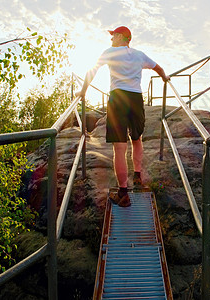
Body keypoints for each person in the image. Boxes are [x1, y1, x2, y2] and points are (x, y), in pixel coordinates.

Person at [76, 26, 170, 207]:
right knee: (137, 139)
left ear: (120, 37)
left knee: (119, 148)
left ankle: (123, 193)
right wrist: (165, 77)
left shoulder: (110, 52)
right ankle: (137, 175)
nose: (111, 40)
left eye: (113, 36)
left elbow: (92, 71)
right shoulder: (139, 54)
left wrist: (83, 91)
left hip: (118, 99)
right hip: (135, 99)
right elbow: (158, 68)